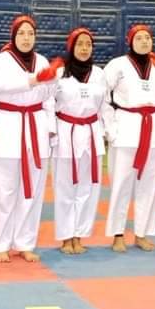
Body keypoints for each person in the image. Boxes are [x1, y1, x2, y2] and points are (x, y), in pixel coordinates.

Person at [0, 15, 55, 263]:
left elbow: (50, 98)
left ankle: (24, 242)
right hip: (6, 125)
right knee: (3, 190)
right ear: (13, 36)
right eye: (21, 33)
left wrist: (50, 126)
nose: (26, 38)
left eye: (30, 33)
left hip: (36, 125)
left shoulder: (42, 61)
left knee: (32, 190)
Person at [103, 24, 155, 253]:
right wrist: (110, 127)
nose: (144, 41)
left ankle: (142, 233)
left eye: (147, 38)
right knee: (121, 184)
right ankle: (118, 234)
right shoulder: (117, 65)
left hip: (154, 129)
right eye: (139, 38)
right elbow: (103, 97)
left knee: (150, 185)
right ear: (130, 41)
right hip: (126, 128)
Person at [50, 27, 106, 255]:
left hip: (91, 133)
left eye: (88, 44)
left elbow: (104, 106)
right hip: (66, 133)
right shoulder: (59, 73)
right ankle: (66, 237)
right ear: (71, 47)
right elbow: (49, 104)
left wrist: (107, 132)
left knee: (88, 188)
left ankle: (79, 235)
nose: (84, 48)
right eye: (80, 44)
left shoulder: (99, 74)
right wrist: (50, 131)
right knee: (65, 188)